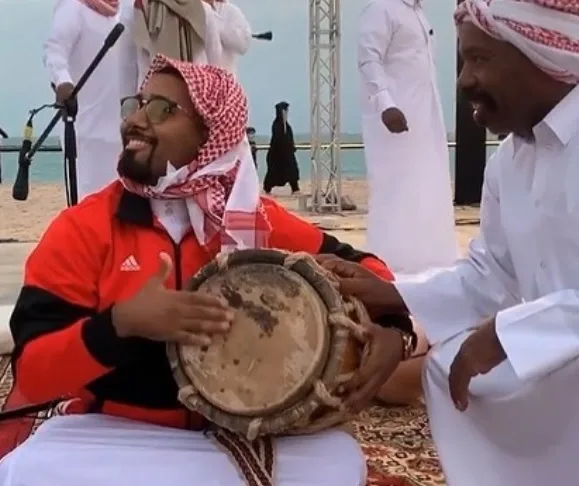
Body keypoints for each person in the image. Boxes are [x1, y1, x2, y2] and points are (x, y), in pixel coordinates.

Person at [0, 56, 416, 485]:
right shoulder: (84, 227)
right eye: (137, 104)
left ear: (210, 133)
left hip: (240, 434)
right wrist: (121, 324)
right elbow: (33, 371)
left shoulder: (254, 221)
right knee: (31, 472)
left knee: (337, 464)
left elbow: (370, 269)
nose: (135, 121)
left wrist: (394, 329)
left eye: (161, 109)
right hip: (114, 434)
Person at [320, 0, 579, 483]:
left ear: (542, 54)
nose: (462, 82)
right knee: (444, 369)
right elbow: (491, 275)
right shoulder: (509, 163)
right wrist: (393, 293)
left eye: (480, 60)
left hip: (562, 359)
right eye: (463, 62)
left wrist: (508, 333)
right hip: (558, 366)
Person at [357, 0, 458, 274]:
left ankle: (431, 260)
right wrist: (385, 103)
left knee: (427, 182)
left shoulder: (417, 13)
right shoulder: (381, 9)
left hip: (424, 114)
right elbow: (368, 60)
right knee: (396, 186)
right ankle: (390, 262)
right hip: (394, 116)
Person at [43, 0, 123, 202]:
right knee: (90, 204)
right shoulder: (73, 7)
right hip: (88, 133)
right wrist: (63, 83)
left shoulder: (124, 11)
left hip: (123, 131)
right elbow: (54, 51)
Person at [133, 0, 222, 86]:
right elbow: (215, 57)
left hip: (159, 88)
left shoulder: (145, 6)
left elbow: (143, 60)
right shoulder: (202, 9)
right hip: (196, 86)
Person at [263, 101, 300, 195]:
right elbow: (277, 140)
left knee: (292, 171)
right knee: (273, 173)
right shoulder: (277, 125)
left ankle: (295, 188)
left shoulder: (286, 126)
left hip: (287, 155)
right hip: (277, 156)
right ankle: (267, 188)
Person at [210, 0, 252, 76]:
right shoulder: (188, 10)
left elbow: (243, 44)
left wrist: (211, 17)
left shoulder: (230, 11)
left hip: (223, 80)